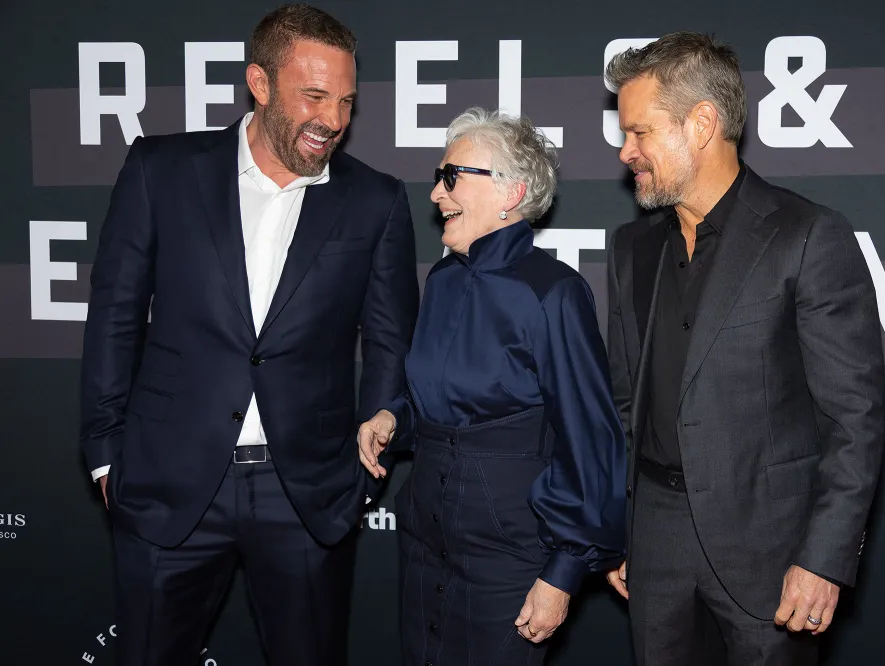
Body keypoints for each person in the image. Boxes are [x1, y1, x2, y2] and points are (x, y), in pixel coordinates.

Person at [78, 5, 418, 665]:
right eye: (314, 96)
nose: (333, 119)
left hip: (307, 494)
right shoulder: (162, 169)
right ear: (259, 84)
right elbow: (115, 315)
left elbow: (390, 342)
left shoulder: (375, 199)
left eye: (346, 101)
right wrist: (105, 454)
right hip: (167, 479)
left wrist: (364, 462)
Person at [603, 32, 885, 666]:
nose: (626, 152)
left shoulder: (806, 236)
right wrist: (618, 528)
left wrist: (823, 558)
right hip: (655, 539)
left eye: (640, 132)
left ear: (701, 124)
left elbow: (853, 419)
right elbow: (624, 402)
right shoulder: (631, 248)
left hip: (771, 548)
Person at [357, 107, 627, 665]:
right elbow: (443, 398)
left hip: (507, 556)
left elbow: (590, 441)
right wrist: (394, 419)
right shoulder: (442, 279)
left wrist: (562, 572)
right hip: (426, 540)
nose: (436, 193)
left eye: (451, 177)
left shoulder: (553, 293)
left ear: (511, 193)